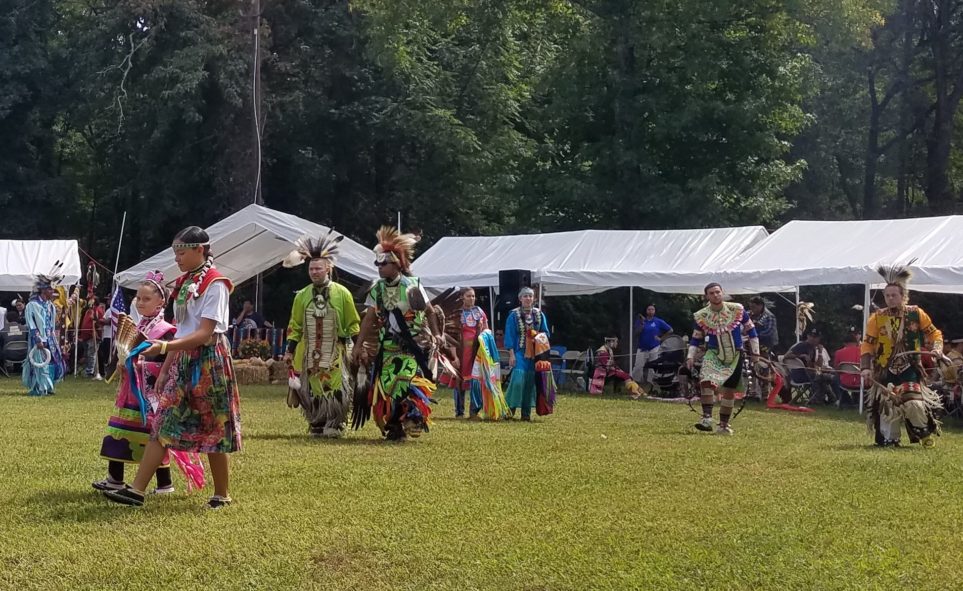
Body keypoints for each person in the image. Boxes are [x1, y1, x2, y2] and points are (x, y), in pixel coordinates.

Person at [104, 226, 241, 508]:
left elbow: (204, 333)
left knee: (214, 425)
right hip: (182, 358)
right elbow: (181, 330)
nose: (177, 258)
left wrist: (164, 348)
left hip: (209, 360)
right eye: (175, 252)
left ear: (199, 250)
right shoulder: (184, 283)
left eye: (181, 252)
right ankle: (137, 491)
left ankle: (222, 494)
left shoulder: (216, 284)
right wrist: (167, 367)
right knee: (163, 421)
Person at [93, 271, 177, 494]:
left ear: (161, 301)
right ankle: (115, 478)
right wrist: (124, 365)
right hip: (130, 392)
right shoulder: (140, 326)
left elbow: (166, 363)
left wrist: (138, 366)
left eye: (146, 299)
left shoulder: (166, 331)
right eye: (138, 298)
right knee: (119, 432)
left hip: (149, 394)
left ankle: (164, 483)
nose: (140, 303)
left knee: (153, 437)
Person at [351, 226, 437, 441]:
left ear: (397, 264)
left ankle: (411, 420)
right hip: (387, 348)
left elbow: (429, 311)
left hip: (410, 348)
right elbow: (370, 318)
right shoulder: (377, 289)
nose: (380, 268)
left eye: (384, 264)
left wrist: (437, 334)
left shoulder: (412, 285)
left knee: (406, 383)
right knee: (387, 387)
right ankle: (394, 426)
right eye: (377, 264)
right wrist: (359, 344)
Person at [281, 230, 361, 438]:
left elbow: (353, 323)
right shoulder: (302, 296)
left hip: (336, 350)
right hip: (310, 353)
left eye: (318, 268)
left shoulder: (342, 293)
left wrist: (356, 348)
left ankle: (334, 422)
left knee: (335, 386)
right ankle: (317, 421)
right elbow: (295, 325)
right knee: (312, 387)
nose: (314, 272)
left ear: (328, 269)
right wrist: (289, 351)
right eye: (311, 269)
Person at [861, 264, 943, 447]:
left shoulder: (916, 313)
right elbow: (867, 343)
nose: (890, 299)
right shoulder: (877, 318)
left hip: (911, 367)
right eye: (887, 296)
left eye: (894, 295)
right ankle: (890, 439)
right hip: (885, 369)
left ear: (903, 295)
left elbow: (934, 333)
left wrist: (937, 348)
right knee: (888, 403)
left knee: (914, 402)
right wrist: (866, 367)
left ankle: (924, 435)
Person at [686, 283, 759, 435]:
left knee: (729, 390)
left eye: (718, 292)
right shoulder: (701, 316)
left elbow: (751, 331)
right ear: (707, 296)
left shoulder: (737, 309)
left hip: (736, 354)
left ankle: (723, 425)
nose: (715, 295)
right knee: (706, 381)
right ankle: (706, 418)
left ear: (722, 292)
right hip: (713, 353)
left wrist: (756, 353)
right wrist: (690, 356)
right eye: (711, 293)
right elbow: (695, 339)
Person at [504, 287, 553, 420]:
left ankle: (526, 414)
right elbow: (510, 335)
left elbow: (546, 333)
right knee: (518, 381)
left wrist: (536, 335)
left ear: (534, 299)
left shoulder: (539, 314)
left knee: (530, 382)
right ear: (520, 299)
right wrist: (512, 354)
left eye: (530, 296)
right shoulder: (513, 315)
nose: (528, 298)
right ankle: (509, 410)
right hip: (520, 352)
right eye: (525, 296)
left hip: (535, 355)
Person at [22, 266, 67, 396]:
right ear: (43, 290)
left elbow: (52, 325)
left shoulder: (50, 306)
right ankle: (39, 388)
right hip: (39, 339)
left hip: (50, 338)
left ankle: (49, 386)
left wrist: (54, 337)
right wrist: (38, 339)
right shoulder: (32, 305)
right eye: (50, 289)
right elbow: (31, 325)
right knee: (39, 362)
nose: (52, 291)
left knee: (53, 361)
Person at [452, 287, 489, 419]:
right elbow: (452, 336)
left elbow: (486, 330)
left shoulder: (479, 312)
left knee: (476, 380)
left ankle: (474, 411)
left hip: (477, 351)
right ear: (462, 297)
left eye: (473, 296)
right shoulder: (456, 313)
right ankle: (459, 412)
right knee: (459, 381)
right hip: (461, 351)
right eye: (468, 296)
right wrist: (454, 356)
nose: (472, 298)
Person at [784, 329, 836, 405]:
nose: (813, 339)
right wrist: (801, 355)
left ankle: (828, 399)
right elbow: (786, 356)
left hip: (809, 373)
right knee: (826, 378)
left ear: (819, 339)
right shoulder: (802, 345)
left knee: (824, 378)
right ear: (808, 336)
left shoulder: (813, 349)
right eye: (811, 336)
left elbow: (818, 366)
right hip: (799, 374)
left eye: (815, 337)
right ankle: (828, 399)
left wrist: (820, 353)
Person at [631, 305, 672, 384]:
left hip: (654, 347)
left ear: (655, 311)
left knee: (653, 366)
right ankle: (636, 382)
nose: (651, 311)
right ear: (646, 311)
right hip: (642, 348)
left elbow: (670, 330)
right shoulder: (640, 321)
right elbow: (636, 333)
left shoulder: (658, 321)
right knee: (638, 366)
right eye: (649, 309)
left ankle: (652, 382)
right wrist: (642, 324)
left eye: (652, 309)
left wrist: (661, 338)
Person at [832, 332, 862, 407]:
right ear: (856, 342)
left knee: (835, 378)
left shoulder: (839, 352)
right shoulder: (863, 352)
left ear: (844, 343)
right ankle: (856, 401)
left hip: (845, 382)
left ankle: (845, 400)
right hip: (862, 382)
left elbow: (837, 369)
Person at [79, 296, 104, 378]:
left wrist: (95, 319)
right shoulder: (88, 311)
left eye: (90, 301)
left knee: (91, 354)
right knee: (87, 354)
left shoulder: (98, 310)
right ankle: (88, 369)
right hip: (85, 336)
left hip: (93, 336)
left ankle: (90, 371)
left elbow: (100, 323)